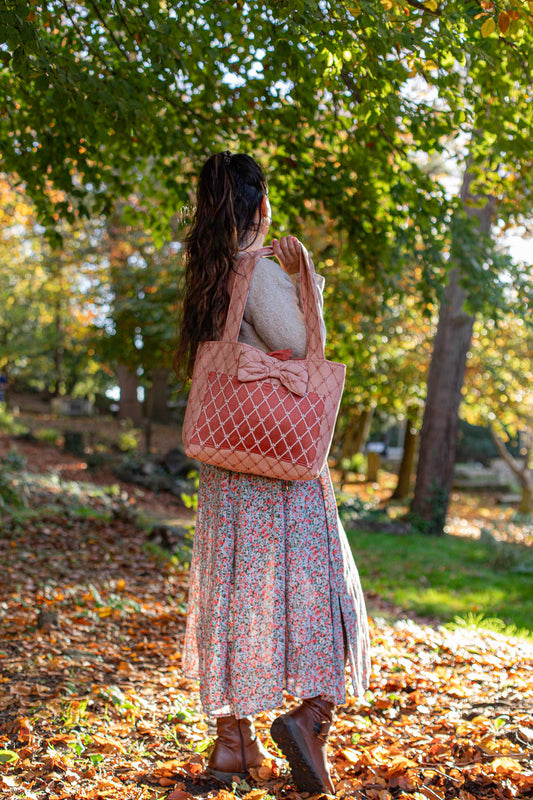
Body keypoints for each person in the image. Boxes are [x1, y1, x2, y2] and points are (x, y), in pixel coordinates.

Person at [175, 151, 370, 795]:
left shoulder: (205, 276)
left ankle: (234, 743)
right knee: (316, 586)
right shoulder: (255, 275)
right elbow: (307, 349)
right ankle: (311, 717)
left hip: (227, 467)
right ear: (260, 206)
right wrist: (304, 280)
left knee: (235, 592)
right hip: (280, 462)